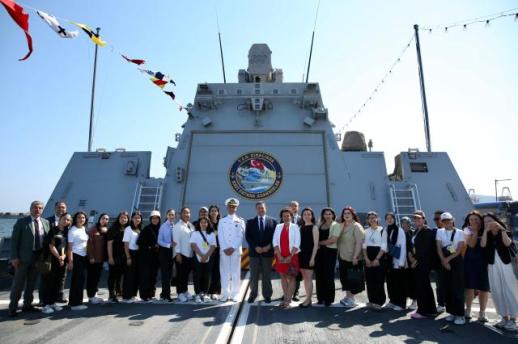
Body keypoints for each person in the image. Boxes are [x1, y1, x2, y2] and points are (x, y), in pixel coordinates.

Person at [9, 201, 50, 316]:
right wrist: (14, 257)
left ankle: (27, 305)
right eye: (35, 208)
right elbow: (14, 241)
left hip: (38, 258)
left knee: (31, 283)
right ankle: (13, 306)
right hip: (22, 258)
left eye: (40, 208)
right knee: (18, 284)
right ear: (31, 208)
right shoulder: (22, 222)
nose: (38, 210)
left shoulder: (46, 222)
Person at [481, 213, 518, 332]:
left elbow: (508, 243)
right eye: (485, 222)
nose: (487, 223)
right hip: (492, 265)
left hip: (506, 264)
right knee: (497, 290)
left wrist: (501, 229)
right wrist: (486, 232)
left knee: (509, 289)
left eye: (490, 221)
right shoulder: (486, 234)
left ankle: (513, 319)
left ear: (496, 221)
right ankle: (504, 317)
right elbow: (482, 245)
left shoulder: (505, 231)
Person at [436, 212, 466, 325]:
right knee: (447, 287)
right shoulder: (439, 232)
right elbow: (438, 246)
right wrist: (443, 260)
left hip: (456, 261)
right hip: (444, 260)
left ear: (452, 220)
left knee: (457, 288)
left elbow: (459, 250)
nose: (446, 222)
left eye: (448, 220)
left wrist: (447, 260)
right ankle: (451, 312)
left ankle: (460, 314)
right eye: (444, 221)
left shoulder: (460, 232)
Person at [245, 201, 277, 304]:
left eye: (262, 208)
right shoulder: (250, 222)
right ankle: (253, 295)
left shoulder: (273, 221)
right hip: (254, 254)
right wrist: (255, 247)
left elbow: (275, 237)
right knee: (253, 276)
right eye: (259, 208)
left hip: (267, 253)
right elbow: (248, 237)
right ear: (256, 209)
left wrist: (269, 246)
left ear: (265, 208)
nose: (261, 210)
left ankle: (267, 295)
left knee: (266, 276)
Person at [409, 210, 438, 319]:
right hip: (418, 262)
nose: (416, 220)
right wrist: (412, 257)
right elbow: (413, 247)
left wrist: (415, 261)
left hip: (423, 263)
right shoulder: (416, 231)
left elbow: (425, 249)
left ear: (424, 219)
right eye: (415, 219)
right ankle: (430, 310)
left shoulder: (427, 231)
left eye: (419, 218)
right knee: (424, 286)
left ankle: (422, 311)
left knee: (422, 286)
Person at [40, 213, 71, 314]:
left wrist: (64, 257)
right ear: (60, 219)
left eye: (68, 220)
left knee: (57, 282)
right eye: (64, 219)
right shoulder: (53, 230)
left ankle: (53, 302)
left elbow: (67, 247)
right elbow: (51, 245)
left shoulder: (66, 232)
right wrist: (59, 257)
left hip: (61, 261)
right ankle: (45, 305)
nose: (66, 221)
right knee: (49, 282)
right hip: (52, 260)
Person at [462, 210, 490, 322]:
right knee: (469, 287)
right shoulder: (467, 230)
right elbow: (472, 244)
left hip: (484, 262)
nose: (473, 221)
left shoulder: (486, 230)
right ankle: (468, 310)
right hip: (470, 261)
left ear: (480, 220)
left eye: (476, 219)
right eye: (471, 219)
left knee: (484, 288)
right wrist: (474, 231)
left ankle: (482, 312)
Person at [337, 206, 365, 308]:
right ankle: (348, 296)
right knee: (344, 278)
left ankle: (351, 298)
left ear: (353, 215)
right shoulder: (341, 225)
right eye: (345, 213)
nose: (346, 215)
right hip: (342, 256)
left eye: (349, 213)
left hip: (353, 258)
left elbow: (359, 243)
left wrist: (355, 256)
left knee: (353, 279)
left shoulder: (357, 226)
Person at [219, 198, 245, 302]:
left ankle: (235, 294)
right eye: (230, 206)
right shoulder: (222, 221)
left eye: (234, 207)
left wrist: (233, 247)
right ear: (227, 207)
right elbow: (220, 236)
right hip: (224, 250)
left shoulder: (240, 220)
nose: (232, 208)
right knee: (224, 272)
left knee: (235, 272)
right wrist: (225, 248)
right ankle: (225, 293)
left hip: (235, 250)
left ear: (236, 208)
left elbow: (240, 235)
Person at [273, 208, 301, 309]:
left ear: (291, 216)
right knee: (283, 277)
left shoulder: (295, 227)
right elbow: (275, 242)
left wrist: (289, 257)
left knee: (292, 278)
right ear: (282, 217)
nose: (286, 217)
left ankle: (288, 300)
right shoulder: (278, 226)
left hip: (292, 257)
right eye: (284, 216)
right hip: (280, 256)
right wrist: (280, 256)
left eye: (288, 216)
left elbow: (297, 243)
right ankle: (286, 298)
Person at [314, 207, 341, 306]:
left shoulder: (336, 225)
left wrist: (319, 243)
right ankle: (320, 298)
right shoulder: (320, 224)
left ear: (333, 215)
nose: (328, 216)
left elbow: (333, 240)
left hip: (330, 252)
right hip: (319, 252)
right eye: (326, 214)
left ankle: (329, 299)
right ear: (323, 215)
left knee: (328, 275)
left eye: (330, 214)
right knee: (319, 275)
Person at [362, 211, 387, 311]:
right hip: (368, 255)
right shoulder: (365, 231)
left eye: (374, 217)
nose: (372, 219)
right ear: (367, 220)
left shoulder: (382, 230)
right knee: (369, 280)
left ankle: (379, 302)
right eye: (370, 218)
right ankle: (371, 300)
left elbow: (384, 246)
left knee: (379, 280)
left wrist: (377, 259)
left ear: (377, 219)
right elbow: (363, 246)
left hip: (379, 255)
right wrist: (366, 259)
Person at [190, 216, 217, 303]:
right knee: (197, 276)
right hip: (198, 258)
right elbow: (193, 245)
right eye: (202, 222)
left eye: (205, 222)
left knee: (207, 276)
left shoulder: (212, 234)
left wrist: (206, 256)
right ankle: (197, 294)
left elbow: (213, 246)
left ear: (208, 223)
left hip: (208, 257)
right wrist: (201, 255)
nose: (204, 224)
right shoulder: (195, 233)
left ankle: (205, 293)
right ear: (199, 224)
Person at [384, 212, 407, 311]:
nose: (389, 220)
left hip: (397, 260)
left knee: (399, 283)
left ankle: (401, 303)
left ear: (394, 219)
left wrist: (401, 262)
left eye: (391, 218)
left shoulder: (399, 230)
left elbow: (403, 247)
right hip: (388, 261)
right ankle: (392, 301)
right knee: (390, 282)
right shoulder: (386, 229)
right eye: (387, 218)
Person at [46, 201, 68, 303]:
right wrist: (58, 256)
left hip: (63, 256)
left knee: (62, 277)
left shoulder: (67, 226)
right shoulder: (48, 222)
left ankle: (59, 296)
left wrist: (63, 256)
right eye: (59, 207)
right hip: (50, 255)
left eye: (63, 207)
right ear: (55, 208)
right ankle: (46, 300)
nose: (61, 209)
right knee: (49, 279)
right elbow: (49, 243)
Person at [67, 211, 90, 310]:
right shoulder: (72, 230)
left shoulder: (84, 229)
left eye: (83, 218)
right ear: (75, 219)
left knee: (81, 280)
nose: (81, 219)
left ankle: (75, 301)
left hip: (84, 257)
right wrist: (70, 261)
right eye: (79, 217)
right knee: (77, 280)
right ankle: (75, 304)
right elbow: (69, 248)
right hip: (76, 256)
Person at [138, 210, 161, 302]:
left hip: (156, 258)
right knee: (145, 276)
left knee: (153, 276)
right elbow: (140, 243)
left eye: (157, 218)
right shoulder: (146, 229)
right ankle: (144, 296)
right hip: (146, 257)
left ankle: (151, 295)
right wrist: (151, 246)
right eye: (153, 218)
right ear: (150, 219)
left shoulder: (160, 229)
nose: (155, 220)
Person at [298, 207, 319, 308]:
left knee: (309, 278)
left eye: (309, 214)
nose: (307, 215)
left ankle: (308, 299)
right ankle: (307, 298)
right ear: (302, 216)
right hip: (301, 255)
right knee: (305, 278)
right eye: (305, 214)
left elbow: (316, 244)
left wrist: (313, 258)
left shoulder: (314, 227)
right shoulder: (301, 227)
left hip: (310, 255)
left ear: (312, 216)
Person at [173, 207, 195, 302]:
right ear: (180, 214)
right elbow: (176, 240)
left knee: (186, 275)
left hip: (189, 254)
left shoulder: (191, 225)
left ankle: (185, 291)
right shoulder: (178, 226)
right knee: (180, 274)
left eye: (188, 212)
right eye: (185, 213)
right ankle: (180, 293)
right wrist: (177, 253)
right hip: (181, 254)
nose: (187, 214)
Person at [107, 211, 129, 302]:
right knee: (113, 276)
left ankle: (119, 292)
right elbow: (109, 244)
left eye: (125, 218)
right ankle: (112, 294)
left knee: (120, 276)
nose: (123, 219)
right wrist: (110, 257)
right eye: (121, 217)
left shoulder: (128, 229)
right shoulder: (113, 229)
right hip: (115, 255)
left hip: (124, 256)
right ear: (118, 218)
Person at [86, 213, 109, 304]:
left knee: (97, 277)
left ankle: (94, 294)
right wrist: (91, 256)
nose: (105, 220)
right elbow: (89, 244)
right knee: (92, 277)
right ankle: (91, 296)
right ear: (99, 219)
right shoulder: (93, 229)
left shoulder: (106, 230)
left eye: (107, 219)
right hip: (93, 259)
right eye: (103, 218)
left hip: (101, 258)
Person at [121, 211, 142, 303]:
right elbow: (126, 244)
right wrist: (128, 257)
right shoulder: (128, 229)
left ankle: (133, 295)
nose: (137, 219)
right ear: (132, 219)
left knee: (136, 275)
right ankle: (126, 296)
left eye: (139, 218)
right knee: (128, 276)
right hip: (130, 253)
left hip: (138, 254)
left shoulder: (140, 229)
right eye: (135, 217)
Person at [158, 209, 175, 302]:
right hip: (164, 252)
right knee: (165, 274)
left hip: (172, 252)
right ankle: (167, 295)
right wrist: (168, 245)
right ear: (167, 215)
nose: (171, 216)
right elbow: (159, 241)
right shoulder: (163, 226)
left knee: (169, 275)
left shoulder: (174, 226)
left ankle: (164, 293)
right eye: (170, 214)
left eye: (173, 215)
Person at [401, 216, 417, 310]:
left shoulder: (413, 233)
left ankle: (415, 300)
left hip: (411, 260)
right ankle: (405, 298)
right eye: (403, 223)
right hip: (402, 260)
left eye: (406, 223)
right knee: (404, 280)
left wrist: (413, 258)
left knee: (413, 281)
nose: (405, 225)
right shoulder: (400, 233)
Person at [431, 209, 446, 313]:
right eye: (435, 219)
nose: (436, 221)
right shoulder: (433, 232)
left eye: (438, 219)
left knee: (451, 285)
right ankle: (441, 304)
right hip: (438, 263)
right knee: (439, 285)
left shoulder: (452, 231)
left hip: (450, 262)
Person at [288, 200, 302, 301]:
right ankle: (287, 291)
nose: (293, 208)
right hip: (287, 251)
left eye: (295, 206)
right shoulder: (284, 219)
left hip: (299, 251)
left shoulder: (303, 219)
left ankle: (296, 292)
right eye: (292, 206)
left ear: (298, 208)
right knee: (287, 272)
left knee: (297, 272)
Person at [207, 205, 221, 299]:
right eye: (212, 211)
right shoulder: (206, 223)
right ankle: (207, 291)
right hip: (208, 250)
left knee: (217, 271)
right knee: (208, 271)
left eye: (215, 211)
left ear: (218, 213)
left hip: (218, 250)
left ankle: (215, 291)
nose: (213, 212)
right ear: (209, 212)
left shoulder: (221, 223)